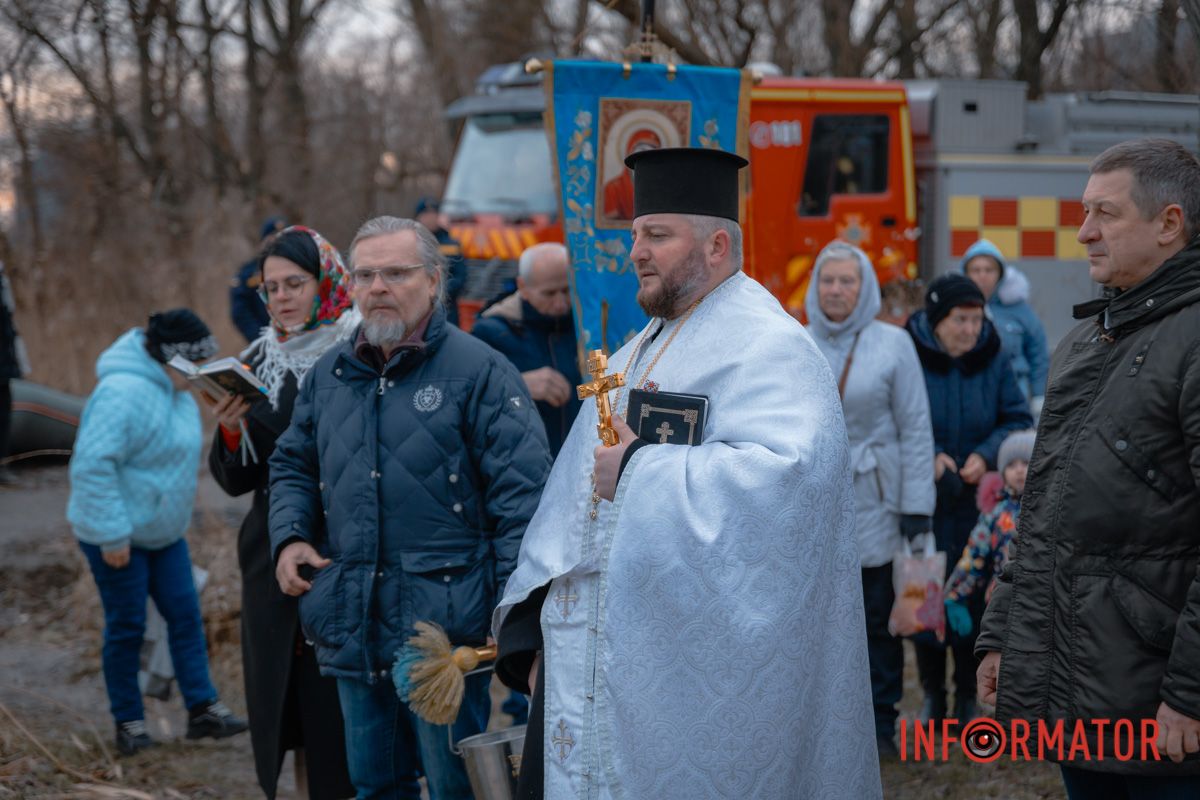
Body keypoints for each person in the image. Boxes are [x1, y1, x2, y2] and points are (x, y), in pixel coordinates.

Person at [494, 147, 881, 799]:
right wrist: (532, 634)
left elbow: (789, 484)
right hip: (598, 668)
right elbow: (573, 507)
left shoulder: (771, 349)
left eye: (657, 235)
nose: (637, 251)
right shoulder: (639, 350)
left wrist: (642, 471)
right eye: (637, 235)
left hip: (696, 687)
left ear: (717, 246)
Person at [267, 216, 551, 800]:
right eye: (366, 274)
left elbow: (521, 504)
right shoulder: (330, 375)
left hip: (444, 632)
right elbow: (292, 464)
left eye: (396, 272)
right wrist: (292, 536)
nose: (377, 286)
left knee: (456, 787)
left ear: (434, 280)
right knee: (374, 785)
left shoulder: (481, 371)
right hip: (355, 617)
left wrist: (511, 618)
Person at [977, 139, 1200, 797]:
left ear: (1169, 225)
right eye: (1083, 212)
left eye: (1105, 214)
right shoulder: (1085, 341)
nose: (1083, 232)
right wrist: (1001, 637)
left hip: (1166, 710)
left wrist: (1191, 693)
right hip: (1088, 698)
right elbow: (1045, 513)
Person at [208, 227, 357, 800]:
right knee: (287, 710)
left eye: (295, 283)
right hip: (269, 558)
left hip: (339, 548)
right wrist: (228, 427)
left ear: (327, 283)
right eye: (270, 288)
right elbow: (236, 479)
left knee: (338, 714)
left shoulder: (360, 348)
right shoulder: (255, 359)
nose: (282, 298)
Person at [67, 309, 248, 756]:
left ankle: (203, 710)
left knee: (185, 615)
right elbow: (91, 465)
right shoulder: (121, 393)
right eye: (197, 364)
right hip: (116, 536)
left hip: (165, 535)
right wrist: (111, 535)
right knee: (127, 626)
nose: (203, 373)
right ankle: (128, 722)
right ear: (175, 359)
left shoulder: (179, 396)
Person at [805, 240, 935, 758]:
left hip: (876, 499)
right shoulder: (796, 340)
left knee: (878, 616)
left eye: (847, 281)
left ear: (865, 288)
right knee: (817, 617)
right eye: (827, 280)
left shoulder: (892, 344)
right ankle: (823, 725)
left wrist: (916, 506)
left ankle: (880, 725)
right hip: (813, 499)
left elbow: (915, 428)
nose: (836, 290)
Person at [905, 273, 1032, 724]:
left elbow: (1016, 419)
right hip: (925, 500)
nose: (970, 328)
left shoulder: (992, 357)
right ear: (938, 321)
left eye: (977, 318)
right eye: (960, 319)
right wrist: (930, 454)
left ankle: (964, 697)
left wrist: (985, 454)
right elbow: (898, 420)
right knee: (924, 596)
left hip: (979, 508)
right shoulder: (910, 356)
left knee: (970, 598)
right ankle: (933, 696)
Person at [472, 242, 582, 457]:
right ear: (522, 287)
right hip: (525, 463)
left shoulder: (588, 327)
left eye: (567, 290)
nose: (560, 303)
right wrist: (518, 385)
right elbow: (469, 400)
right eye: (549, 294)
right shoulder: (491, 333)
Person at [942, 428, 1033, 639]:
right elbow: (974, 554)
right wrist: (956, 595)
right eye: (1011, 465)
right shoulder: (995, 513)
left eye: (1026, 463)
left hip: (1043, 598)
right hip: (1003, 600)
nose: (1019, 470)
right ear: (1001, 472)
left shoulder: (1049, 508)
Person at [960, 239, 1050, 413]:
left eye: (989, 270)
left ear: (1000, 274)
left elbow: (1038, 354)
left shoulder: (1019, 308)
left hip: (1015, 394)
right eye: (976, 270)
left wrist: (1039, 396)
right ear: (966, 273)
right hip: (970, 392)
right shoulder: (956, 307)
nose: (982, 276)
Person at [231, 215, 288, 343]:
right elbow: (240, 312)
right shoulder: (248, 274)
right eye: (271, 240)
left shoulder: (302, 266)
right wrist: (262, 339)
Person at [415, 198, 468, 328]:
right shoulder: (410, 243)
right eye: (426, 215)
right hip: (415, 305)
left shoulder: (451, 245)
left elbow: (460, 276)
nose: (430, 219)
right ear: (418, 218)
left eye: (433, 215)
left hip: (447, 308)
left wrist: (439, 292)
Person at [0, 257, 29, 485]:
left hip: (4, 360)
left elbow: (9, 321)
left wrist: (18, 363)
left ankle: (2, 464)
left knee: (3, 413)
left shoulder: (2, 277)